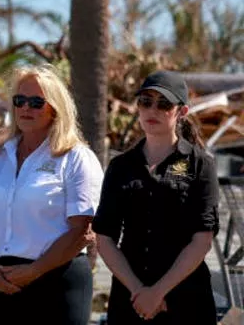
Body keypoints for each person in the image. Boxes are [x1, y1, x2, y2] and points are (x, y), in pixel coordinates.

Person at [0, 65, 103, 325]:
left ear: (56, 108)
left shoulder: (77, 157)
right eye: (19, 101)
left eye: (36, 102)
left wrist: (34, 271)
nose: (26, 108)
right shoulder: (1, 156)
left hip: (58, 281)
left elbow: (82, 231)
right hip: (2, 283)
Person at [94, 71, 219, 324]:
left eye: (164, 104)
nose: (153, 110)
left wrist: (157, 292)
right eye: (145, 102)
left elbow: (202, 240)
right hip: (130, 300)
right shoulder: (120, 166)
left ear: (181, 112)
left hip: (187, 300)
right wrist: (139, 291)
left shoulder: (200, 164)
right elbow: (105, 237)